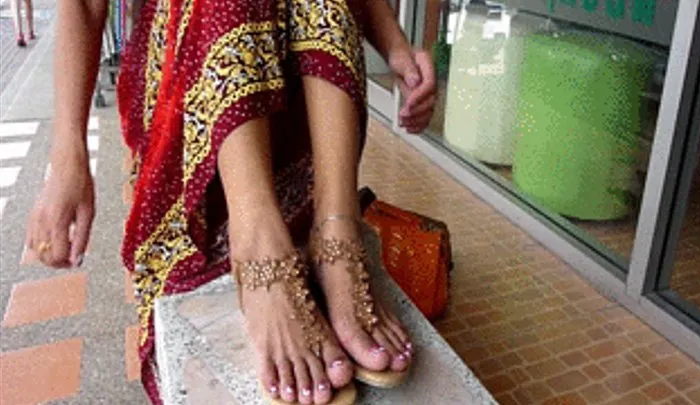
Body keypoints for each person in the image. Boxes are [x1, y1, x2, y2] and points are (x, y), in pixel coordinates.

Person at [23, 0, 436, 403]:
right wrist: (67, 155)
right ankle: (258, 249)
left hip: (300, 107)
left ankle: (336, 235)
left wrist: (396, 46)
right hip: (191, 99)